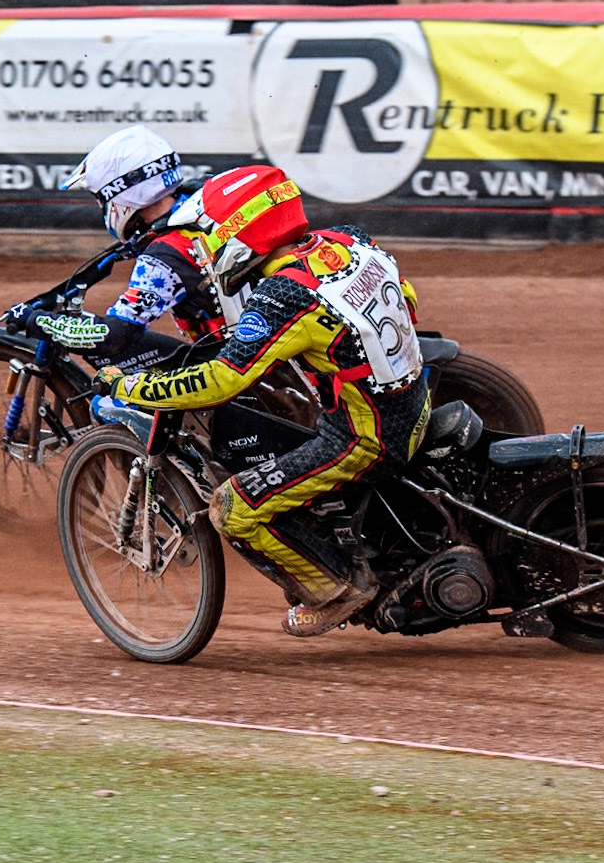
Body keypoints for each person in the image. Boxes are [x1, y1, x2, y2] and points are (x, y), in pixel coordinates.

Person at [95, 163, 429, 638]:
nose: (206, 248)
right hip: (415, 399)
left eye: (209, 234)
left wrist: (129, 387)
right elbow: (408, 299)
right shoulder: (347, 240)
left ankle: (336, 589)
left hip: (365, 437)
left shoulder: (282, 294)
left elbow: (221, 381)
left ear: (240, 234)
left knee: (234, 507)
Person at [13, 125, 239, 372]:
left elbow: (113, 336)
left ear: (121, 193)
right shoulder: (204, 201)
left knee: (110, 402)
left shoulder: (163, 256)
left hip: (233, 371)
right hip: (264, 349)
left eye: (101, 198)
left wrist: (38, 322)